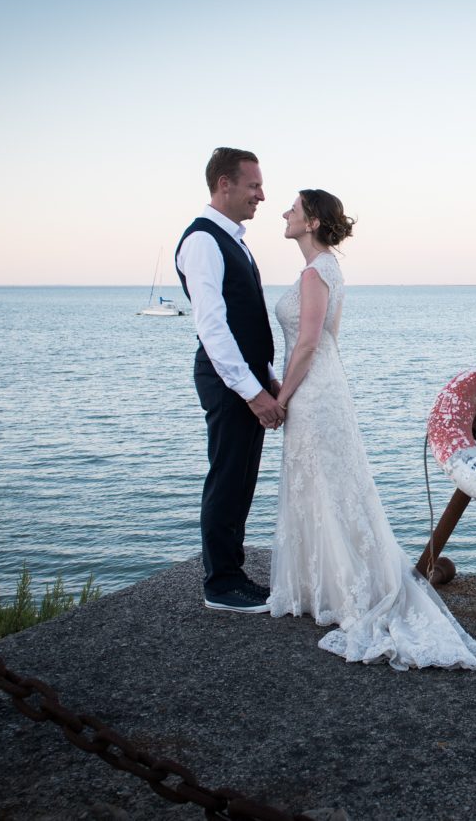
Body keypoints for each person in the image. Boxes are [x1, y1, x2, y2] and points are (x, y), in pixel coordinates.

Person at [268, 189, 476, 670]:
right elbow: (327, 340)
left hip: (312, 391)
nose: (284, 214)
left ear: (312, 221)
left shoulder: (314, 272)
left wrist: (280, 397)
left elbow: (307, 344)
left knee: (324, 485)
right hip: (326, 386)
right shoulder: (328, 269)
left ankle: (341, 590)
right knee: (328, 486)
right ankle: (322, 584)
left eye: (293, 209)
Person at [175, 147, 284, 613]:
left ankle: (232, 573)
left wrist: (270, 380)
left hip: (245, 377)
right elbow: (213, 327)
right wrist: (253, 392)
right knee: (227, 478)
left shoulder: (232, 238)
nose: (261, 195)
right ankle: (220, 583)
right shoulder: (203, 241)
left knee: (241, 480)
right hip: (227, 380)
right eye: (253, 185)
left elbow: (244, 322)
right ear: (225, 184)